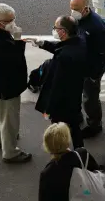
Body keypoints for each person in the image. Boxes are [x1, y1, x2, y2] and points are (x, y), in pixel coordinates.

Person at [0, 3, 32, 163]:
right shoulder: (0, 43)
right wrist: (18, 40)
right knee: (10, 119)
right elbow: (15, 59)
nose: (14, 23)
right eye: (10, 21)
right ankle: (10, 152)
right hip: (8, 85)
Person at [31, 16, 87, 149]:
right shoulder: (79, 42)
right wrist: (43, 43)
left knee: (57, 130)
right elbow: (61, 47)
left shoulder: (63, 58)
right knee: (74, 126)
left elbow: (56, 85)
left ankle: (60, 152)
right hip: (75, 95)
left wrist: (48, 109)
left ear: (63, 31)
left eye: (55, 28)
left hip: (61, 103)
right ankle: (80, 152)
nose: (54, 30)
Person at [70, 0, 105, 138]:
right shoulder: (78, 19)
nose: (72, 11)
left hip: (91, 70)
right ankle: (79, 116)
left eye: (76, 8)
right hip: (79, 66)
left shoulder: (97, 26)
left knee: (90, 99)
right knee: (78, 93)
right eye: (71, 8)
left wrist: (95, 75)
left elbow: (101, 55)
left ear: (85, 9)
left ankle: (94, 125)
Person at [39, 122, 100, 201]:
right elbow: (97, 172)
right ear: (68, 140)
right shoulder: (82, 155)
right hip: (87, 195)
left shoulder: (46, 173)